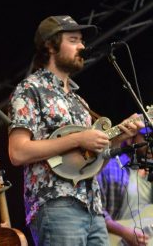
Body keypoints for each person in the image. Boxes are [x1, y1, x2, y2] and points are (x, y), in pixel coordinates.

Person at [7, 15, 144, 245]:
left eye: (81, 40)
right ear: (50, 45)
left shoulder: (79, 102)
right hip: (57, 205)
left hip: (94, 208)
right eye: (73, 40)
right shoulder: (30, 89)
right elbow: (18, 152)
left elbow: (90, 154)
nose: (82, 46)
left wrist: (121, 136)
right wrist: (80, 137)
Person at [98, 128, 153, 246]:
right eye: (148, 137)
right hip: (113, 241)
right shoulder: (110, 169)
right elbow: (93, 209)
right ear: (130, 139)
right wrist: (123, 232)